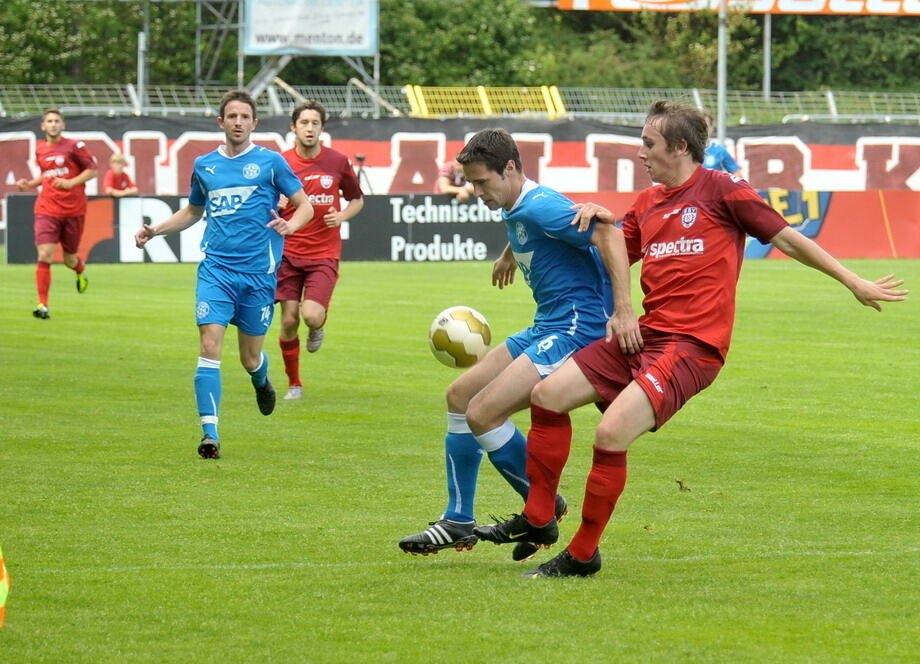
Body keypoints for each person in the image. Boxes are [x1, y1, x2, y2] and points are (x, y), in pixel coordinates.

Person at [473, 100, 907, 578]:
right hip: (648, 334)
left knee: (610, 433)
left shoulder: (723, 190)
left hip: (693, 346)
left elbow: (786, 238)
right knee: (547, 394)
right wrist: (559, 232)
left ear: (679, 147)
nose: (641, 153)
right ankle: (538, 517)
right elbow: (608, 253)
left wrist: (853, 281)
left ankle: (582, 555)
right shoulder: (647, 203)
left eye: (648, 143)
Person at [399, 128, 640, 558]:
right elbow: (526, 224)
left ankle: (541, 510)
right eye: (471, 183)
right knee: (459, 395)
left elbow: (608, 232)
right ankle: (459, 518)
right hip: (546, 323)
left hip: (574, 327)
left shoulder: (542, 206)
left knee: (483, 412)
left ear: (509, 168)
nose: (476, 192)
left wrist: (623, 309)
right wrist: (509, 254)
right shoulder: (517, 205)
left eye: (482, 182)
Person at [134, 90, 313, 459]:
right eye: (231, 116)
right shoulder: (205, 166)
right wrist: (155, 231)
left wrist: (290, 226)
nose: (237, 122)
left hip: (259, 275)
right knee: (209, 346)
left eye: (244, 117)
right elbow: (192, 212)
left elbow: (305, 206)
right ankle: (209, 434)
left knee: (250, 359)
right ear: (221, 122)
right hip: (216, 270)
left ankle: (261, 380)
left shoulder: (271, 163)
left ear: (254, 123)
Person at [276, 100, 364, 401]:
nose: (309, 128)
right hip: (288, 252)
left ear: (322, 128)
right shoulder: (281, 162)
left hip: (323, 253)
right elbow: (267, 202)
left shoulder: (337, 161)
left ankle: (319, 324)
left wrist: (341, 216)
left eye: (315, 123)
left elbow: (357, 199)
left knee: (311, 316)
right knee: (288, 321)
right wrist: (277, 204)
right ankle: (294, 384)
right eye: (304, 123)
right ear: (293, 127)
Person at [16, 108, 98, 319]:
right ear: (43, 126)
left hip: (73, 209)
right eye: (49, 121)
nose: (53, 124)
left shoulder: (74, 146)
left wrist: (71, 182)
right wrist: (29, 184)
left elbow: (92, 169)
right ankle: (43, 304)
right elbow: (46, 176)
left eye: (56, 121)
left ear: (63, 125)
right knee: (45, 254)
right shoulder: (40, 149)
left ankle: (79, 270)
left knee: (70, 258)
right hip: (46, 208)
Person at [702, 112, 742, 176]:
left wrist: (726, 185)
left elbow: (737, 173)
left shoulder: (719, 151)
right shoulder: (686, 151)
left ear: (712, 128)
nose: (702, 129)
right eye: (699, 126)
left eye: (705, 126)